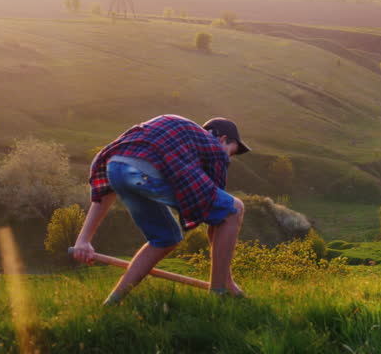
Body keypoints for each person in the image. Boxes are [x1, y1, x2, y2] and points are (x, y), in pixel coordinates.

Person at [72, 114, 251, 305]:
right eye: (232, 151)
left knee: (166, 238)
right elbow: (220, 217)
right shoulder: (214, 147)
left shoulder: (177, 135)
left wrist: (83, 240)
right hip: (146, 171)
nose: (228, 157)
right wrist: (227, 281)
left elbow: (107, 188)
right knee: (235, 208)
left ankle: (111, 303)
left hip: (114, 166)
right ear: (223, 139)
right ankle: (219, 295)